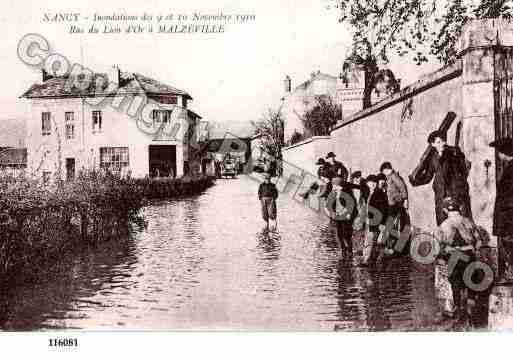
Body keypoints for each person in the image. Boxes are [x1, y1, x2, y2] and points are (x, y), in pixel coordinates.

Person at [435, 197, 484, 324]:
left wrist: (440, 258)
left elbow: (439, 247)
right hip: (469, 255)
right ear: (459, 209)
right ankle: (471, 315)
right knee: (471, 284)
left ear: (445, 210)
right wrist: (474, 252)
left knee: (455, 284)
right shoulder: (468, 221)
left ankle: (458, 313)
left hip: (454, 256)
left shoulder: (444, 225)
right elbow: (479, 241)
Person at [412, 130, 472, 226]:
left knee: (461, 223)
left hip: (454, 194)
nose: (443, 144)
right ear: (433, 144)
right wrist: (416, 181)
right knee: (442, 224)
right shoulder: (432, 158)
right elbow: (428, 176)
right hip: (440, 195)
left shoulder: (454, 153)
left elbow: (464, 170)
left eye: (443, 141)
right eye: (439, 142)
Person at [490, 138, 513, 281]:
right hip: (506, 212)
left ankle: (510, 273)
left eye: (499, 152)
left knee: (509, 241)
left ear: (504, 152)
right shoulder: (509, 167)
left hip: (508, 213)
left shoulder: (511, 169)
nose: (498, 155)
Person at [380, 162, 410, 252]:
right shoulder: (389, 177)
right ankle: (390, 245)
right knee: (392, 223)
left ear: (387, 169)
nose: (384, 173)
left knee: (394, 223)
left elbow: (402, 186)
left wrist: (405, 199)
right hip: (393, 203)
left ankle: (393, 246)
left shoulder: (394, 176)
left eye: (384, 171)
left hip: (397, 203)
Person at [326, 176, 358, 258]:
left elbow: (352, 205)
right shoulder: (333, 193)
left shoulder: (347, 193)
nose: (333, 187)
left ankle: (350, 251)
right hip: (338, 216)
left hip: (347, 217)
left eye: (335, 185)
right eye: (333, 185)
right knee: (339, 234)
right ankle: (343, 250)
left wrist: (349, 214)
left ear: (340, 186)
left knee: (346, 235)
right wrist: (332, 213)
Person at [361, 175, 389, 266]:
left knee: (370, 241)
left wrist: (382, 223)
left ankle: (367, 261)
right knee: (369, 240)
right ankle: (369, 259)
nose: (372, 185)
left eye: (374, 183)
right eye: (370, 183)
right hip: (370, 221)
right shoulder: (371, 193)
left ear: (376, 184)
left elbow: (384, 210)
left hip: (375, 221)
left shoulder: (379, 194)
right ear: (367, 184)